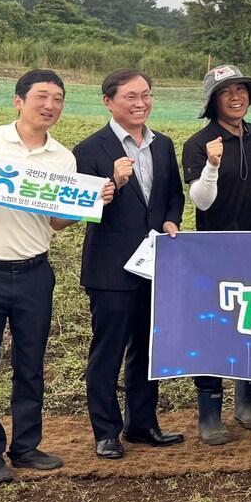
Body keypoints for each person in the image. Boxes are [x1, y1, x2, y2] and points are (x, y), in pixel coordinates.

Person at [0, 70, 113, 483]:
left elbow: (55, 223)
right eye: (42, 96)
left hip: (35, 272)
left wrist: (92, 202)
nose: (50, 105)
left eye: (58, 98)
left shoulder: (62, 158)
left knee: (30, 362)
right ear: (19, 100)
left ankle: (25, 445)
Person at [75, 69, 186, 459]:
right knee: (108, 350)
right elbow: (79, 209)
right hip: (110, 269)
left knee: (147, 347)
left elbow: (173, 194)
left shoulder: (163, 144)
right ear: (108, 101)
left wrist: (172, 218)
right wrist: (114, 184)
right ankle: (106, 431)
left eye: (147, 95)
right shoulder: (90, 149)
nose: (141, 104)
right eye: (131, 97)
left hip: (155, 264)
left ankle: (143, 423)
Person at [180, 65, 251, 445]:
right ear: (212, 101)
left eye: (242, 89)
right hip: (214, 249)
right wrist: (212, 165)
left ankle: (247, 402)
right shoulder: (199, 142)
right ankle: (209, 412)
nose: (236, 97)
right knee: (213, 327)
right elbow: (201, 201)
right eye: (226, 92)